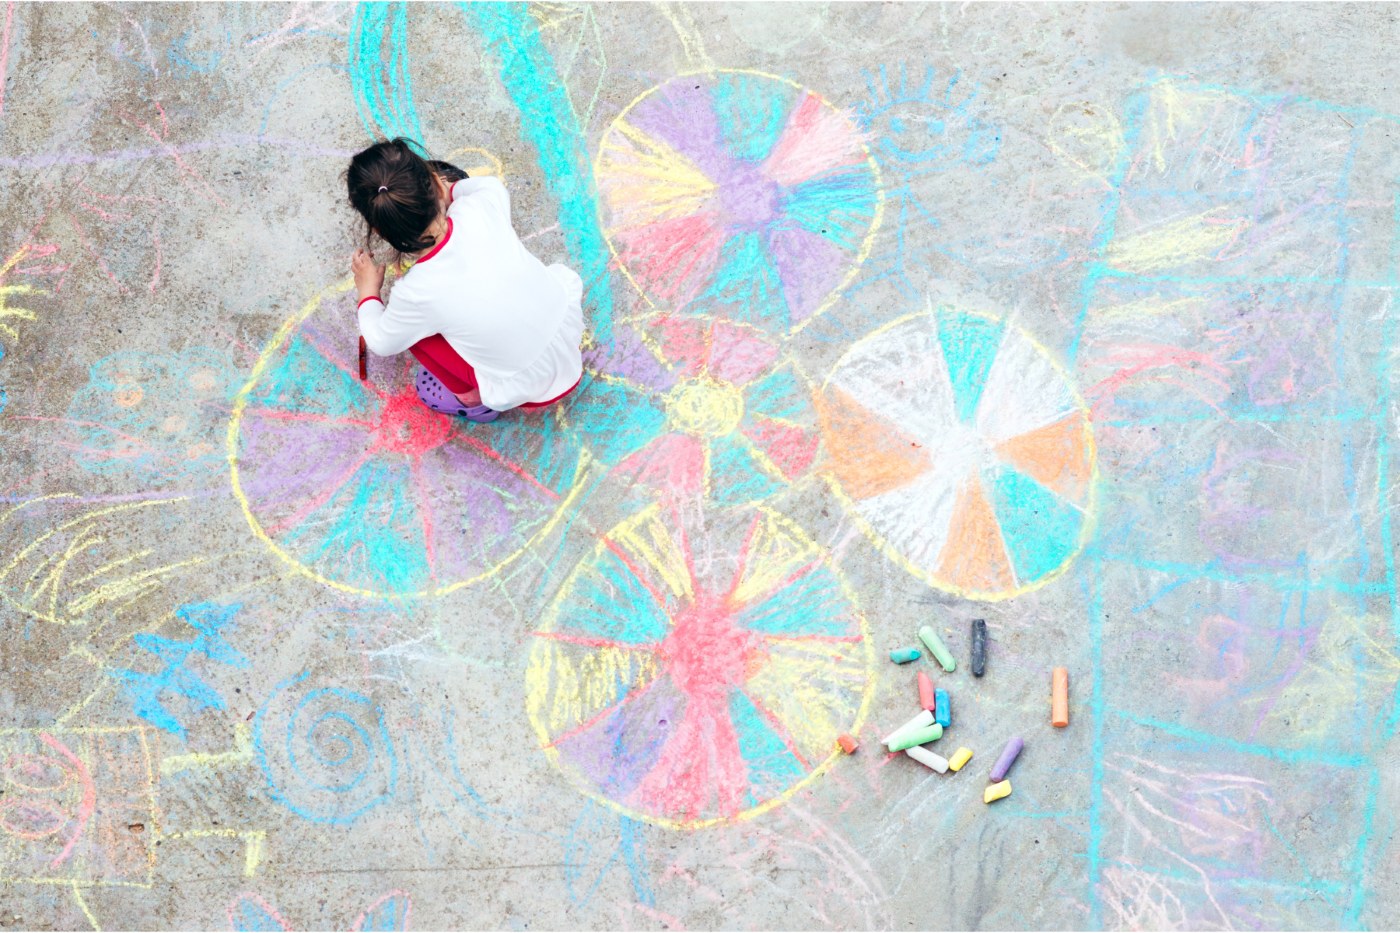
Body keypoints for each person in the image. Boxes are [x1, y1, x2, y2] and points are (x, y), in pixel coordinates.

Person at [347, 138, 583, 423]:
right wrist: (448, 189)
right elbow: (486, 184)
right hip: (567, 332)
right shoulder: (481, 205)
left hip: (527, 387)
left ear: (378, 229)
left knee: (414, 336)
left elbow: (381, 341)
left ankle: (472, 401)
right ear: (437, 183)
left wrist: (368, 291)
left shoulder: (414, 293)